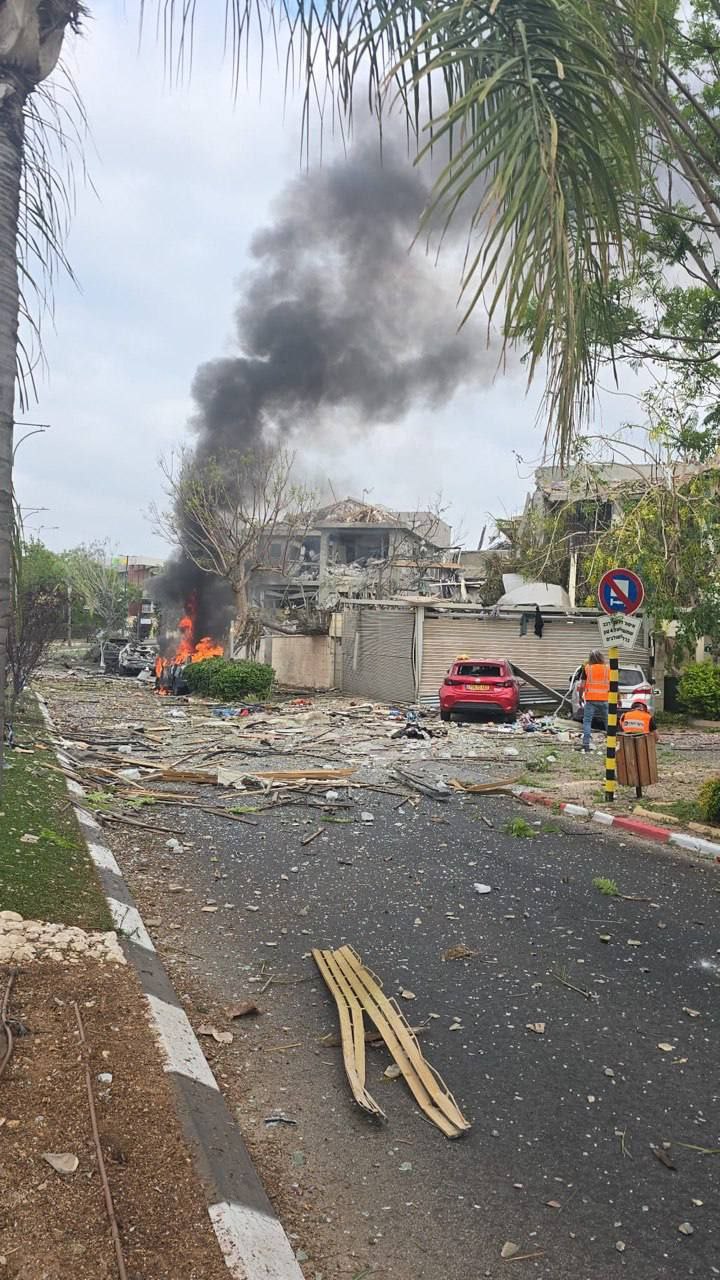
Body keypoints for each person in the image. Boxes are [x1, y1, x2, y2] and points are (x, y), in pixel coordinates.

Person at [578, 649, 609, 751]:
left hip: (591, 699)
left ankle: (586, 744)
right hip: (604, 699)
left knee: (587, 721)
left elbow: (582, 685)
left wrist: (580, 697)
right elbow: (614, 684)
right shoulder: (607, 668)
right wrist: (618, 697)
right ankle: (612, 744)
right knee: (608, 721)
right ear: (601, 657)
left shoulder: (587, 668)